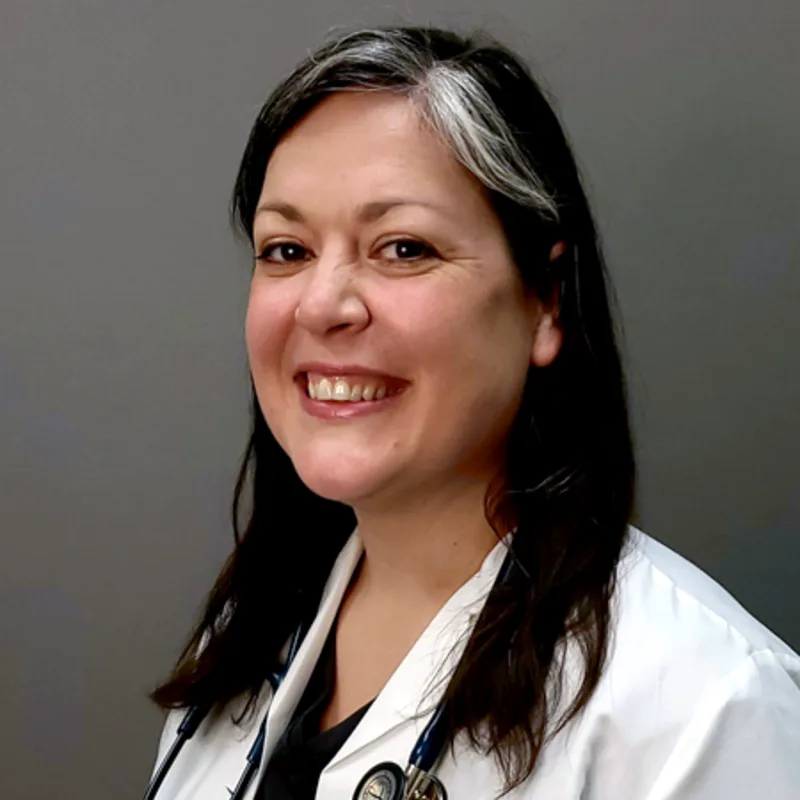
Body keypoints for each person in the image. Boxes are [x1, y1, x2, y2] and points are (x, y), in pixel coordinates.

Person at [145, 25, 800, 800]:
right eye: (287, 249)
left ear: (545, 301)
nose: (322, 305)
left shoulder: (708, 707)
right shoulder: (242, 646)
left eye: (404, 248)